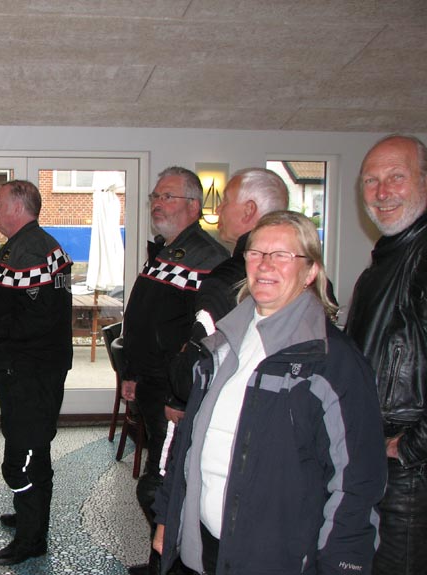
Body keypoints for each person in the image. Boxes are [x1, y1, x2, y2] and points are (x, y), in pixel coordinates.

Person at [153, 211, 387, 575]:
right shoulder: (222, 344)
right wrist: (168, 516)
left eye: (282, 255)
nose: (265, 264)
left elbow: (356, 483)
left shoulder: (332, 362)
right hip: (205, 546)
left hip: (277, 558)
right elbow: (189, 439)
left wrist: (344, 565)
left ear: (310, 271)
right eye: (256, 252)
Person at [120, 167, 228, 573]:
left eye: (167, 196)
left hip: (174, 392)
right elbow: (144, 319)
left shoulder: (210, 258)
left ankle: (174, 564)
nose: (157, 204)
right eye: (155, 196)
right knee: (159, 480)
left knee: (160, 487)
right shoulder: (165, 251)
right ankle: (160, 560)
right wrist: (131, 373)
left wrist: (178, 397)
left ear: (194, 206)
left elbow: (203, 338)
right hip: (151, 384)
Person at [0, 180, 72, 566]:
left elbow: (35, 319)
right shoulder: (31, 244)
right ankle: (31, 516)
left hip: (31, 370)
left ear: (18, 208)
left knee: (24, 453)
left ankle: (32, 539)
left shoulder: (29, 250)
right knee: (31, 444)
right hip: (31, 366)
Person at [344, 134, 427, 575]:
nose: (381, 192)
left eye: (396, 177)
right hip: (379, 458)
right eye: (370, 181)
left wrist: (413, 447)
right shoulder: (388, 259)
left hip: (409, 473)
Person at [167, 168, 289, 422]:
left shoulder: (226, 280)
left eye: (225, 201)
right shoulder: (308, 275)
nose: (218, 209)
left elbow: (190, 378)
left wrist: (183, 356)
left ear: (249, 210)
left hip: (233, 417)